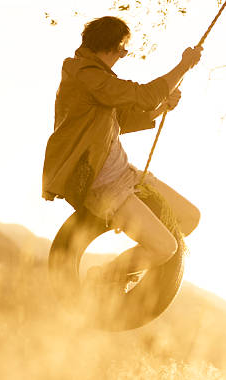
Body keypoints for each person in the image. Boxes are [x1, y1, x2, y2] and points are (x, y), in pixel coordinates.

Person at [42, 16, 202, 283]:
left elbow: (122, 120)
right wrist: (184, 66)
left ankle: (123, 270)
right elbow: (144, 95)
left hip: (125, 175)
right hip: (103, 186)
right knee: (164, 248)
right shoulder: (85, 76)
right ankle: (105, 278)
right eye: (123, 50)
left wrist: (163, 107)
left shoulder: (95, 79)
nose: (122, 56)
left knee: (188, 219)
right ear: (112, 47)